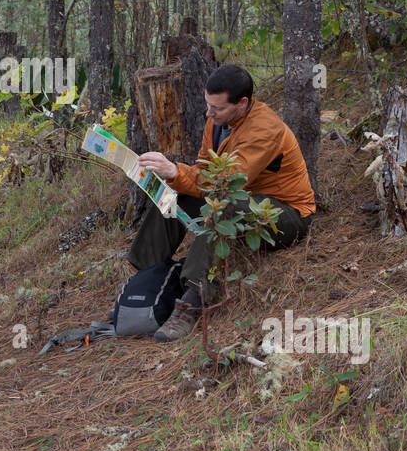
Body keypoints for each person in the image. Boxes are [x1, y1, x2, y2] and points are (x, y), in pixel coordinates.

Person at [129, 64, 316, 342]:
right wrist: (175, 178)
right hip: (245, 198)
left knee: (224, 205)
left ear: (242, 103)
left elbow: (226, 183)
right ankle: (144, 281)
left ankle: (192, 301)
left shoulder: (265, 128)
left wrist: (176, 171)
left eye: (217, 108)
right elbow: (205, 169)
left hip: (286, 213)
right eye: (208, 106)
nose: (208, 113)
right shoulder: (217, 121)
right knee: (174, 193)